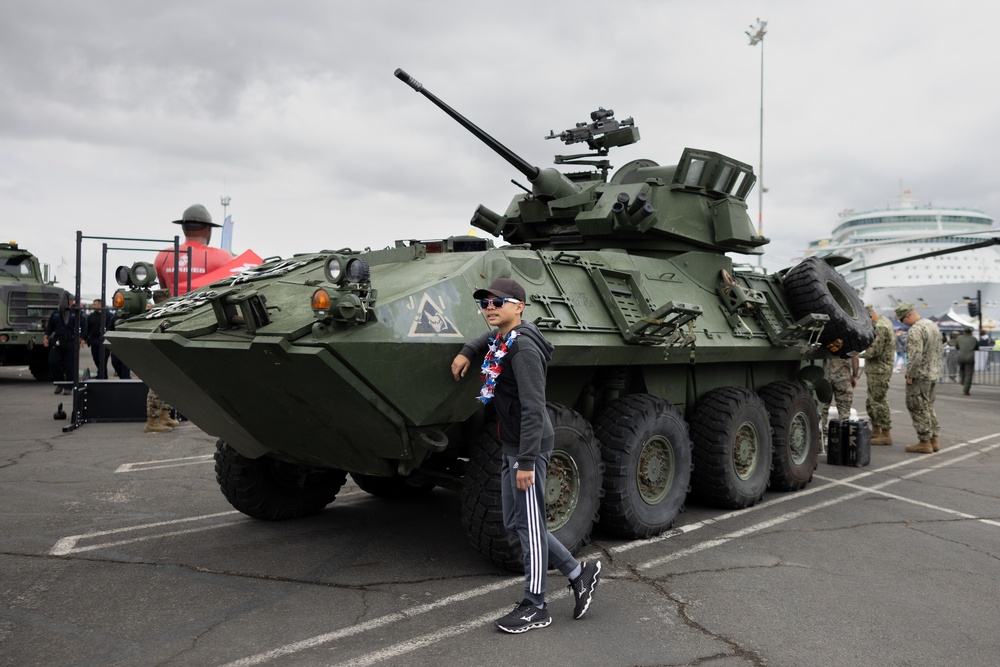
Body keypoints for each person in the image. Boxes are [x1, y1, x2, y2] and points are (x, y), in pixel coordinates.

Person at [450, 278, 601, 633]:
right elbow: (490, 340)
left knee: (531, 527)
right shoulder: (506, 338)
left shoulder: (524, 351)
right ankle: (580, 573)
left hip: (528, 448)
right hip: (512, 444)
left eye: (498, 302)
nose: (489, 308)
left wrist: (528, 463)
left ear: (519, 306)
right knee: (517, 523)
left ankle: (536, 606)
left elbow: (534, 409)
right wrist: (468, 351)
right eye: (484, 303)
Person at [154, 204, 233, 297]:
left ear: (183, 227)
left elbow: (164, 292)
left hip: (172, 308)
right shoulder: (223, 258)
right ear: (208, 228)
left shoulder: (163, 256)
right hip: (207, 309)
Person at [895, 303, 942, 454]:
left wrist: (910, 374)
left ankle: (924, 442)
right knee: (928, 406)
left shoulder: (916, 329)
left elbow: (915, 355)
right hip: (933, 373)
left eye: (902, 319)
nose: (902, 323)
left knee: (916, 406)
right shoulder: (931, 325)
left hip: (920, 375)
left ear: (908, 315)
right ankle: (934, 439)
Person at [862, 304, 895, 445]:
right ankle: (876, 431)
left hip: (879, 370)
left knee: (878, 402)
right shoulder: (883, 322)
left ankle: (886, 434)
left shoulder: (881, 327)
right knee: (872, 401)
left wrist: (857, 353)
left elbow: (873, 351)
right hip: (877, 369)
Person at [43, 296, 88, 394]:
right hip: (58, 341)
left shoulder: (77, 313)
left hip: (71, 341)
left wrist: (82, 338)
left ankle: (68, 387)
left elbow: (84, 326)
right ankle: (60, 383)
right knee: (53, 362)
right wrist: (46, 336)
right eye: (69, 300)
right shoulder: (56, 313)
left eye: (72, 300)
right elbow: (50, 326)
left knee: (70, 366)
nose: (71, 301)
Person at [819, 356, 858, 453]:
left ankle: (820, 442)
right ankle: (843, 444)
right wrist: (855, 376)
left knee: (822, 410)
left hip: (824, 374)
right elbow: (855, 357)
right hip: (842, 376)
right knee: (844, 412)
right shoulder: (847, 340)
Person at [85, 299, 114, 380]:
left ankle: (102, 376)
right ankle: (102, 374)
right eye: (93, 304)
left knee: (103, 359)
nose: (93, 306)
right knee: (96, 358)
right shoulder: (91, 316)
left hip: (104, 340)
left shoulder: (109, 315)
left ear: (100, 305)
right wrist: (86, 339)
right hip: (94, 340)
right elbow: (88, 328)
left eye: (95, 304)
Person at [954, 327, 979, 396]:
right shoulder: (974, 339)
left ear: (964, 332)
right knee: (968, 374)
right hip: (970, 357)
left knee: (961, 368)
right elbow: (976, 348)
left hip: (960, 356)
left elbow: (956, 347)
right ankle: (966, 390)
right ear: (971, 332)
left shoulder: (959, 338)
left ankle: (962, 378)